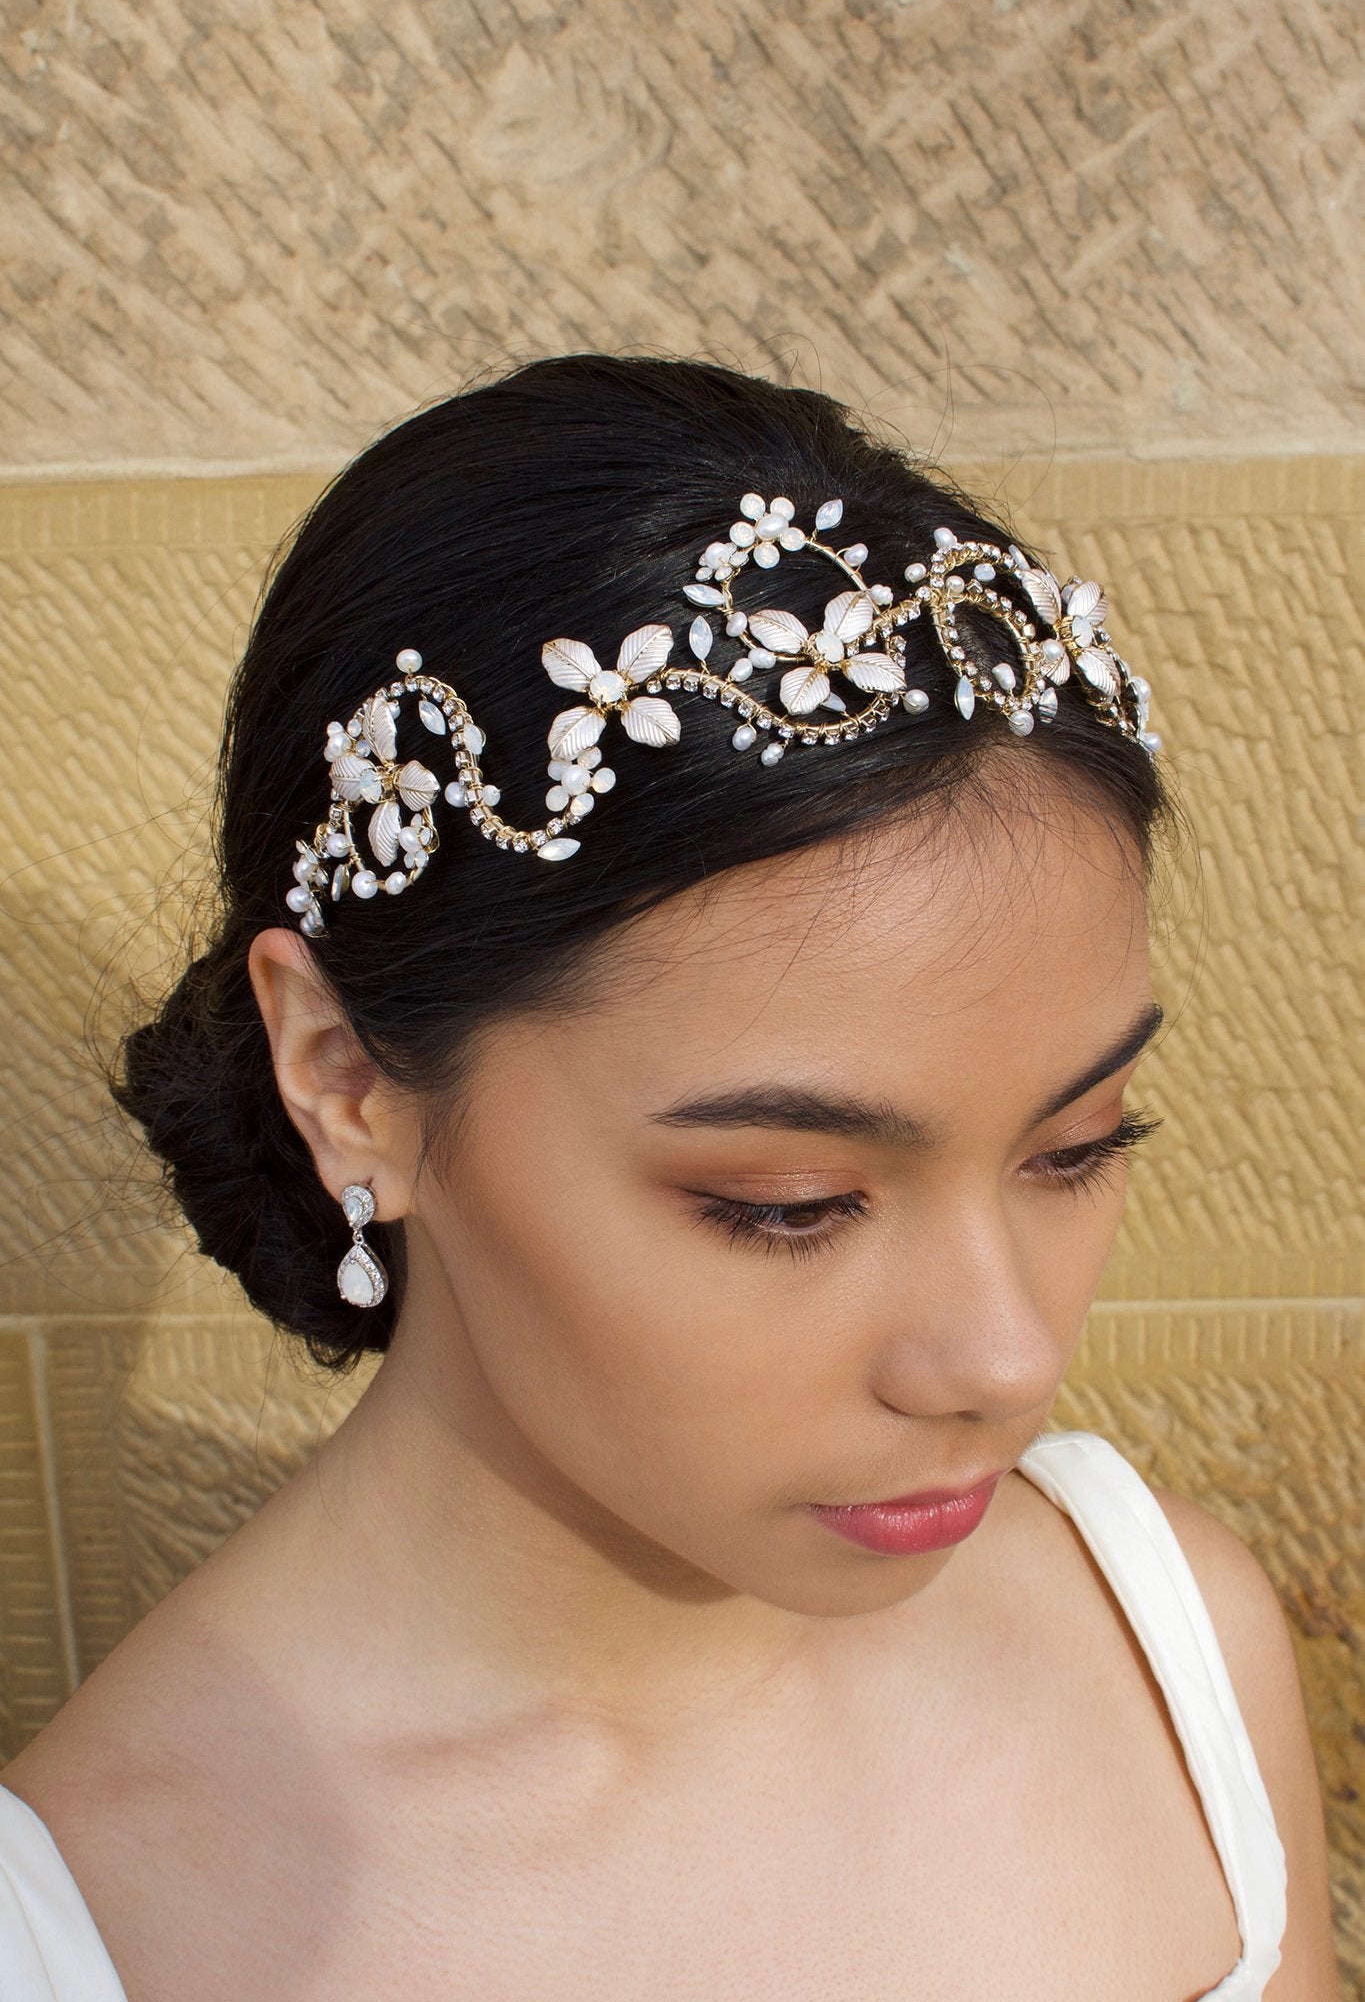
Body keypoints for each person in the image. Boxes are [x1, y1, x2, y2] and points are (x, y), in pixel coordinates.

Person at [0, 355, 1338, 1999]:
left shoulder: (1164, 1647)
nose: (1004, 1358)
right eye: (786, 1203)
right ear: (346, 1080)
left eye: (1076, 1148)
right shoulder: (114, 1934)